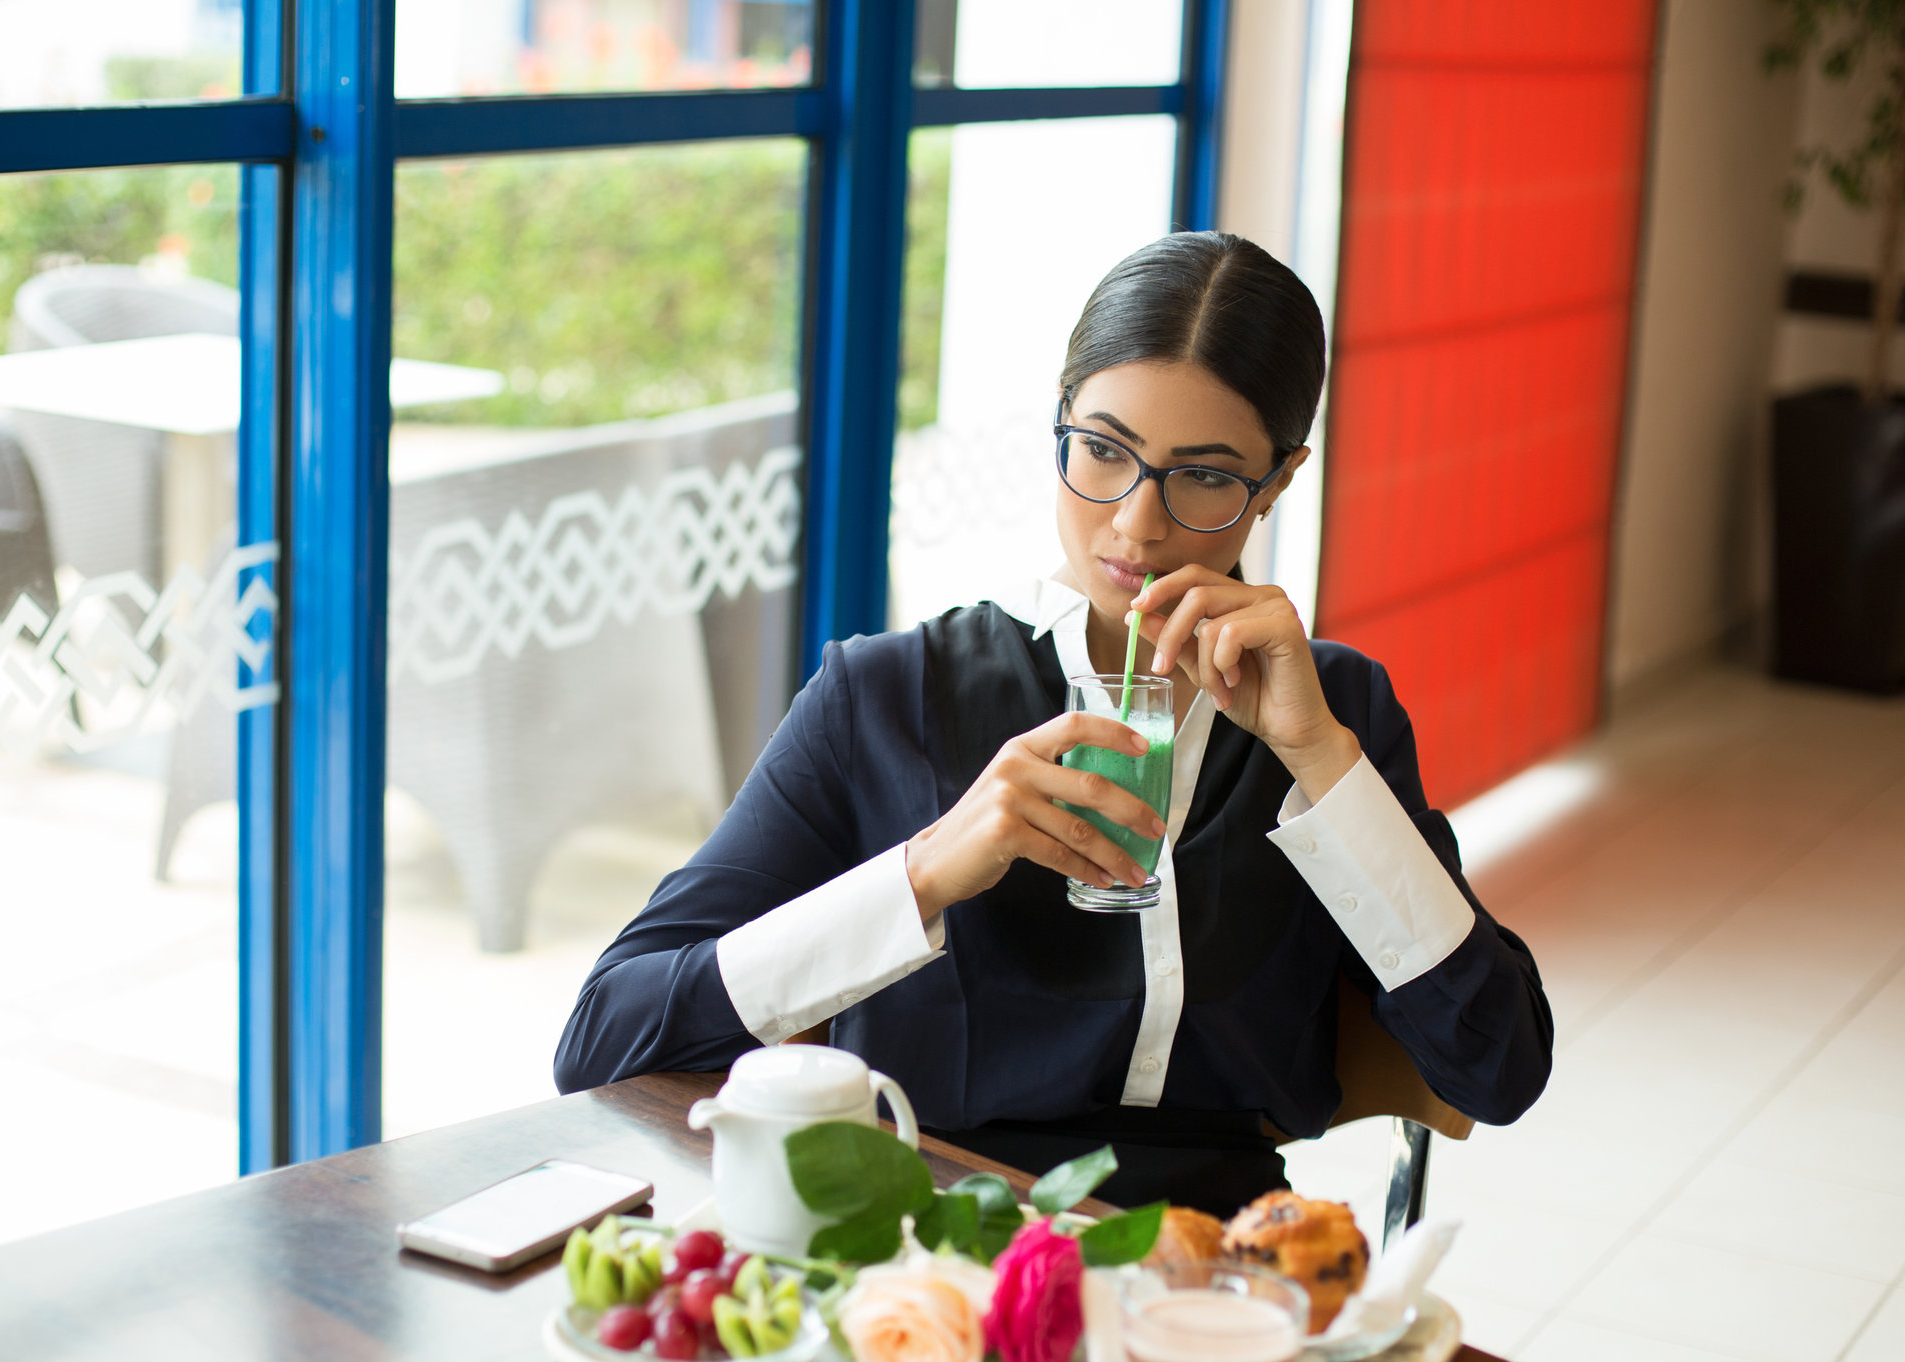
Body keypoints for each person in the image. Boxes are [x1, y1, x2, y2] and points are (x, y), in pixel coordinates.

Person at [554, 231, 1551, 1216]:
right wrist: (933, 866)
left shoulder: (1334, 714)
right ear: (1060, 424)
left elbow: (1494, 1068)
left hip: (1204, 1279)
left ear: (1278, 480)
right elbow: (603, 1042)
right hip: (923, 1251)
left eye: (1203, 475)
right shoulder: (888, 695)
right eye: (1103, 451)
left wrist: (1318, 759)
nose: (1133, 523)